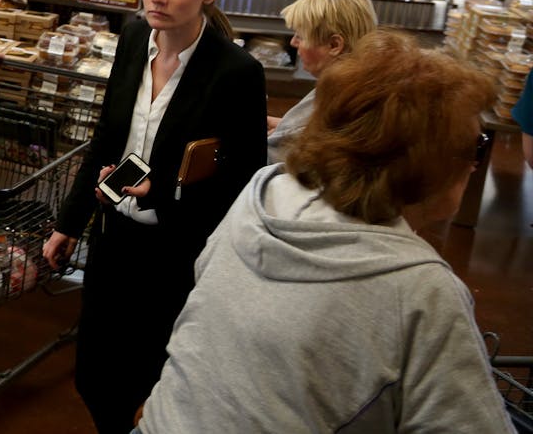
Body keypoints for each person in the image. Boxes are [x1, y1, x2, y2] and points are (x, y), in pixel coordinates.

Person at [139, 30, 514, 433]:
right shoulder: (422, 290)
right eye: (476, 147)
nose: (476, 165)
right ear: (432, 163)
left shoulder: (264, 193)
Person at [41, 0, 267, 434]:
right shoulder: (134, 37)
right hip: (112, 237)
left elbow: (245, 178)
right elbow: (107, 138)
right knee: (94, 377)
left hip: (176, 251)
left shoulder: (237, 73)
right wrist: (70, 221)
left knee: (153, 381)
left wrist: (165, 189)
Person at [266, 0, 377, 159]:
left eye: (301, 36)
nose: (294, 42)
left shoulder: (335, 96)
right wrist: (286, 128)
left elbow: (266, 161)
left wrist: (291, 132)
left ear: (334, 45)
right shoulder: (370, 83)